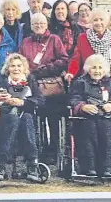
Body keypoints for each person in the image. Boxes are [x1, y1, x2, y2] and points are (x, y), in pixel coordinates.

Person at [0, 53, 44, 182]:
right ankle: (1, 163)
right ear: (7, 68)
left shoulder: (30, 80)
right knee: (13, 119)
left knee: (26, 118)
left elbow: (40, 100)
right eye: (12, 66)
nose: (16, 69)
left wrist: (22, 102)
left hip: (25, 116)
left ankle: (32, 163)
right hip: (3, 117)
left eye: (19, 66)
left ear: (24, 68)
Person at [19, 12, 69, 164]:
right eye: (35, 24)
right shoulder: (26, 42)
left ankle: (52, 151)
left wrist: (46, 68)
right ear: (31, 26)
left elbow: (64, 59)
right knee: (31, 118)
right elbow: (21, 61)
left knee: (53, 119)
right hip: (32, 85)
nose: (38, 26)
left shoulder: (54, 39)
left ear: (46, 25)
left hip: (52, 86)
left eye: (41, 23)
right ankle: (34, 151)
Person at [69, 54, 111, 177]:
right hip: (85, 118)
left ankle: (107, 167)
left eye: (100, 68)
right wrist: (83, 107)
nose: (97, 71)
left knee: (108, 129)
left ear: (105, 69)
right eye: (94, 68)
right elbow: (74, 98)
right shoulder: (80, 82)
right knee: (89, 128)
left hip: (107, 117)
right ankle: (90, 166)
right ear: (88, 69)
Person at [67, 8, 111, 83]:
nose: (98, 23)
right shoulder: (83, 37)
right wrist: (71, 72)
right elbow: (76, 59)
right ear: (91, 22)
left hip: (109, 81)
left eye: (101, 19)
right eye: (95, 20)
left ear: (106, 21)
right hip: (88, 81)